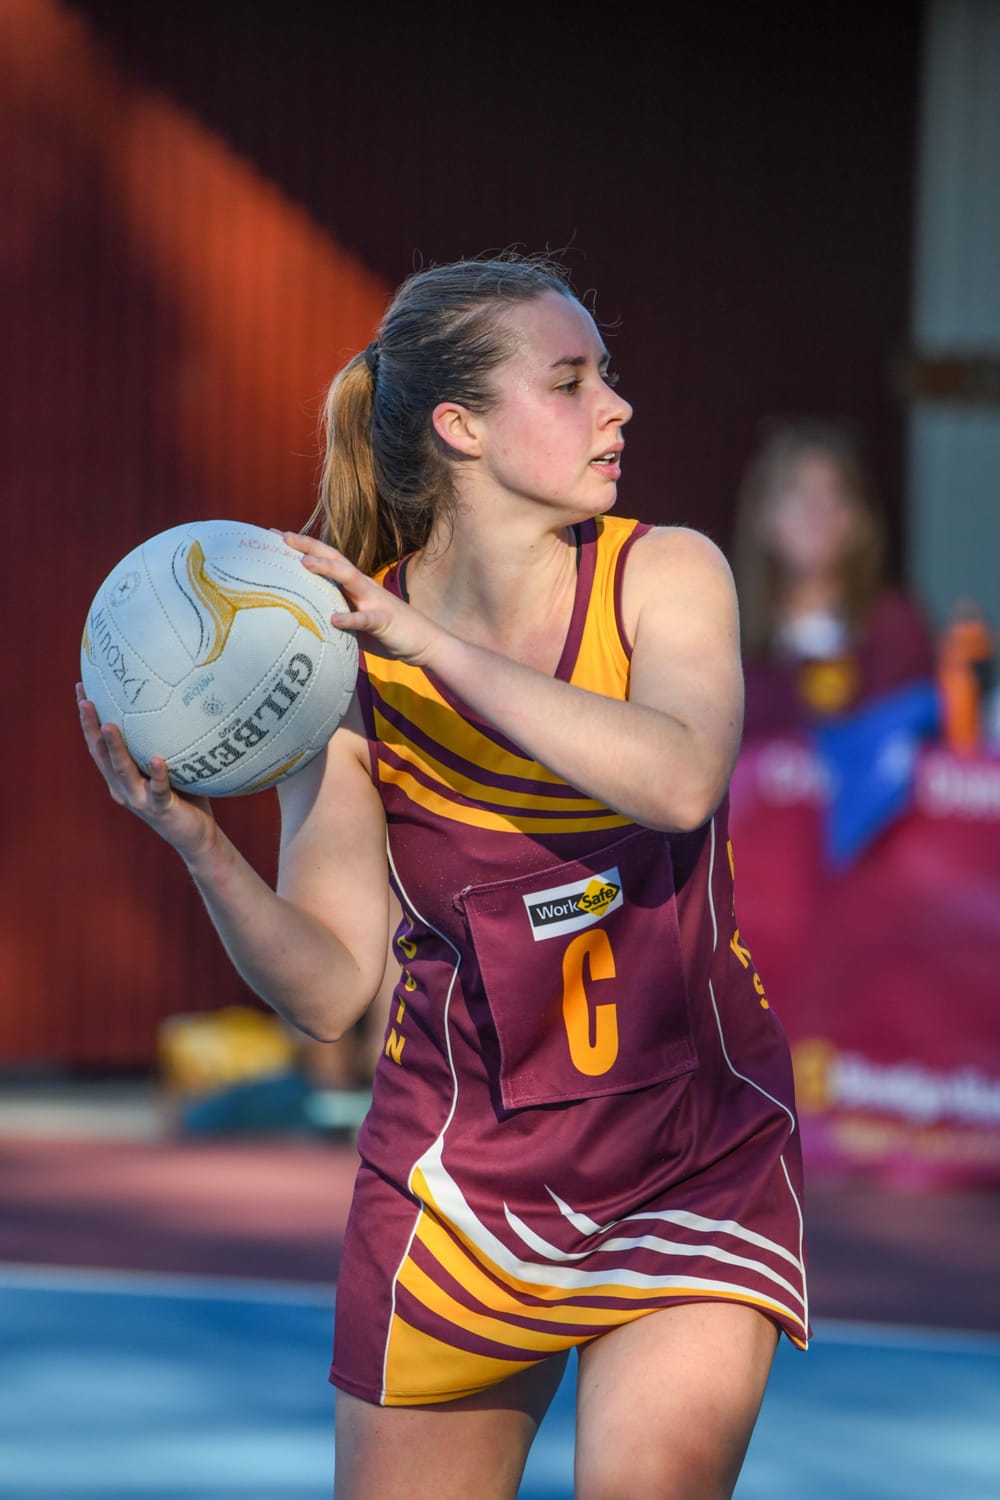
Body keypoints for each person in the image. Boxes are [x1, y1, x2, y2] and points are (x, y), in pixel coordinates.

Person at [78, 252, 808, 1500]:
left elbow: (679, 779)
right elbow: (328, 991)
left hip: (692, 1161)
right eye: (569, 383)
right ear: (460, 428)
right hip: (461, 1188)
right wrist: (200, 845)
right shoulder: (339, 665)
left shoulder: (663, 574)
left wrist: (428, 645)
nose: (616, 406)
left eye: (604, 376)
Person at [732, 419, 936, 741]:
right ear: (762, 516)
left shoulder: (897, 628)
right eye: (796, 492)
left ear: (861, 522)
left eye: (836, 493)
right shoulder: (726, 632)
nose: (817, 512)